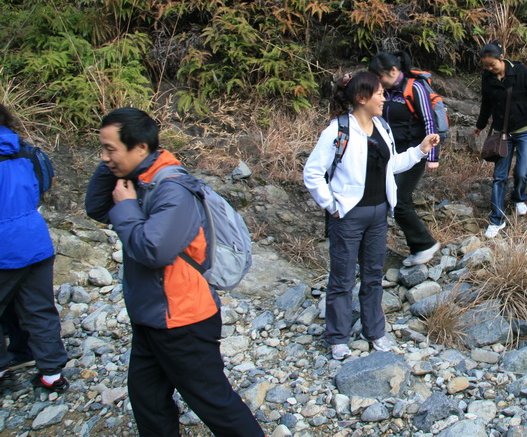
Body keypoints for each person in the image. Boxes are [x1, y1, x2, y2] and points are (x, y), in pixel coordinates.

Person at [85, 107, 263, 437]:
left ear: (140, 147)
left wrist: (125, 205)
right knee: (148, 400)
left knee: (213, 402)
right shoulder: (140, 180)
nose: (104, 156)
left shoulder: (172, 189)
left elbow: (154, 251)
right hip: (151, 314)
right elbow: (96, 209)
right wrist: (112, 165)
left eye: (110, 149)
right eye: (102, 148)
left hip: (183, 319)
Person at [303, 72, 440, 360]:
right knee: (342, 279)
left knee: (373, 277)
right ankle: (337, 338)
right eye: (378, 93)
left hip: (379, 214)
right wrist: (333, 205)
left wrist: (420, 150)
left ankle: (375, 331)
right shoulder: (337, 131)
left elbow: (392, 164)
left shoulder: (382, 127)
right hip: (348, 216)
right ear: (362, 98)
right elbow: (313, 173)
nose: (384, 98)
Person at [0, 104, 68, 392]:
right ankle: (52, 374)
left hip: (4, 247)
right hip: (35, 239)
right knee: (39, 308)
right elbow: (46, 183)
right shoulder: (23, 148)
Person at [474, 42, 527, 239]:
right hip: (503, 133)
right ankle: (496, 219)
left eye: (492, 64)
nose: (489, 69)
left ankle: (519, 197)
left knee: (521, 171)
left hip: (525, 130)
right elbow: (486, 102)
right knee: (499, 176)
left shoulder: (519, 71)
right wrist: (480, 125)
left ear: (501, 57)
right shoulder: (487, 77)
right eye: (486, 66)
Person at [369, 52, 442, 267]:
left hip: (416, 151)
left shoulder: (414, 88)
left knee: (399, 201)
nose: (378, 81)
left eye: (379, 76)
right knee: (395, 199)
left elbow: (429, 120)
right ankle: (417, 246)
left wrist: (432, 156)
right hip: (393, 153)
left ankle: (424, 245)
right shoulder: (386, 92)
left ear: (393, 71)